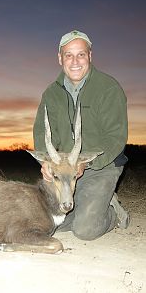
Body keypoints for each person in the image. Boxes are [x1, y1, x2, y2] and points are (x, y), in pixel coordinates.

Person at [33, 30, 130, 240]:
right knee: (44, 223)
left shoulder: (108, 88)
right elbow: (42, 131)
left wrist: (88, 163)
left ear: (90, 56)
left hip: (101, 166)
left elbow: (116, 138)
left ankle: (113, 211)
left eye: (81, 54)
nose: (75, 61)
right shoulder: (51, 93)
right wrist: (47, 163)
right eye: (68, 55)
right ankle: (87, 205)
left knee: (85, 230)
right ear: (60, 58)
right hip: (64, 169)